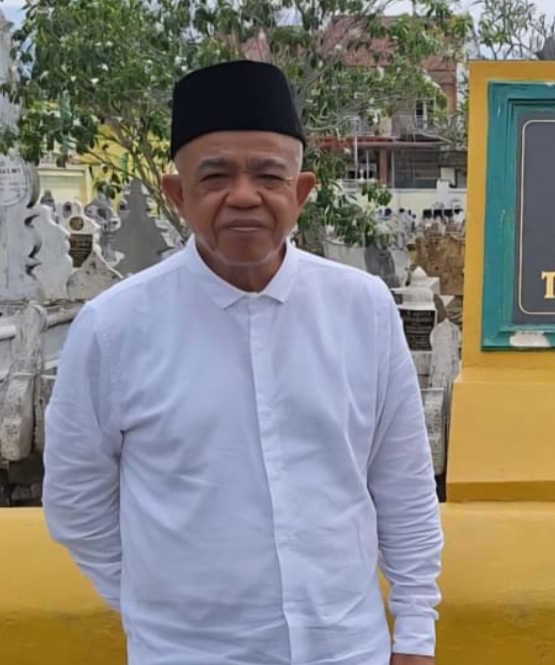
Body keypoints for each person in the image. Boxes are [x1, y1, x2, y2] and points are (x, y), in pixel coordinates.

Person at [42, 60, 443, 665]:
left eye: (268, 175)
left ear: (300, 192)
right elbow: (77, 502)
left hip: (346, 649)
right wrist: (163, 606)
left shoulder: (363, 310)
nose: (244, 196)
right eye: (216, 175)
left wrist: (414, 632)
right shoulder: (114, 329)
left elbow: (404, 486)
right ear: (178, 194)